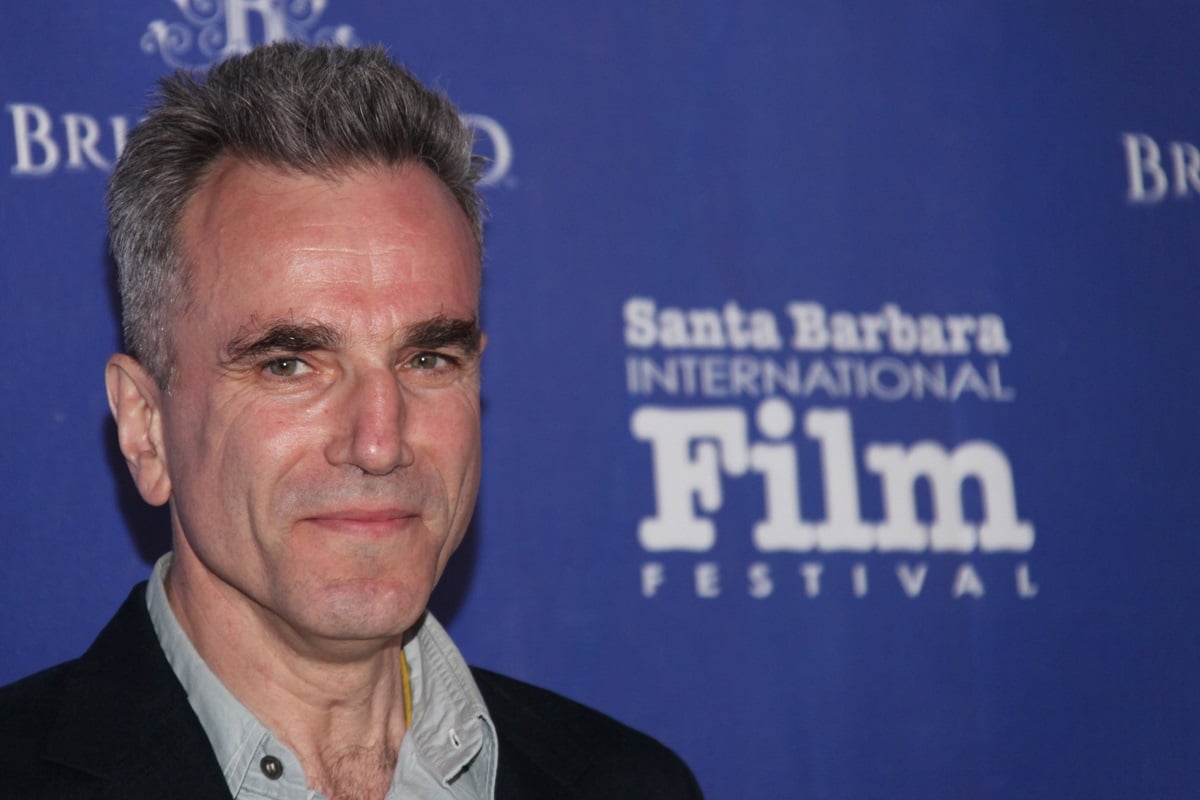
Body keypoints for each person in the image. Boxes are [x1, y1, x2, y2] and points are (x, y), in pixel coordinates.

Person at [0, 42, 702, 800]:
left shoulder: (629, 784)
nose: (379, 441)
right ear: (146, 427)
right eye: (289, 365)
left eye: (428, 359)